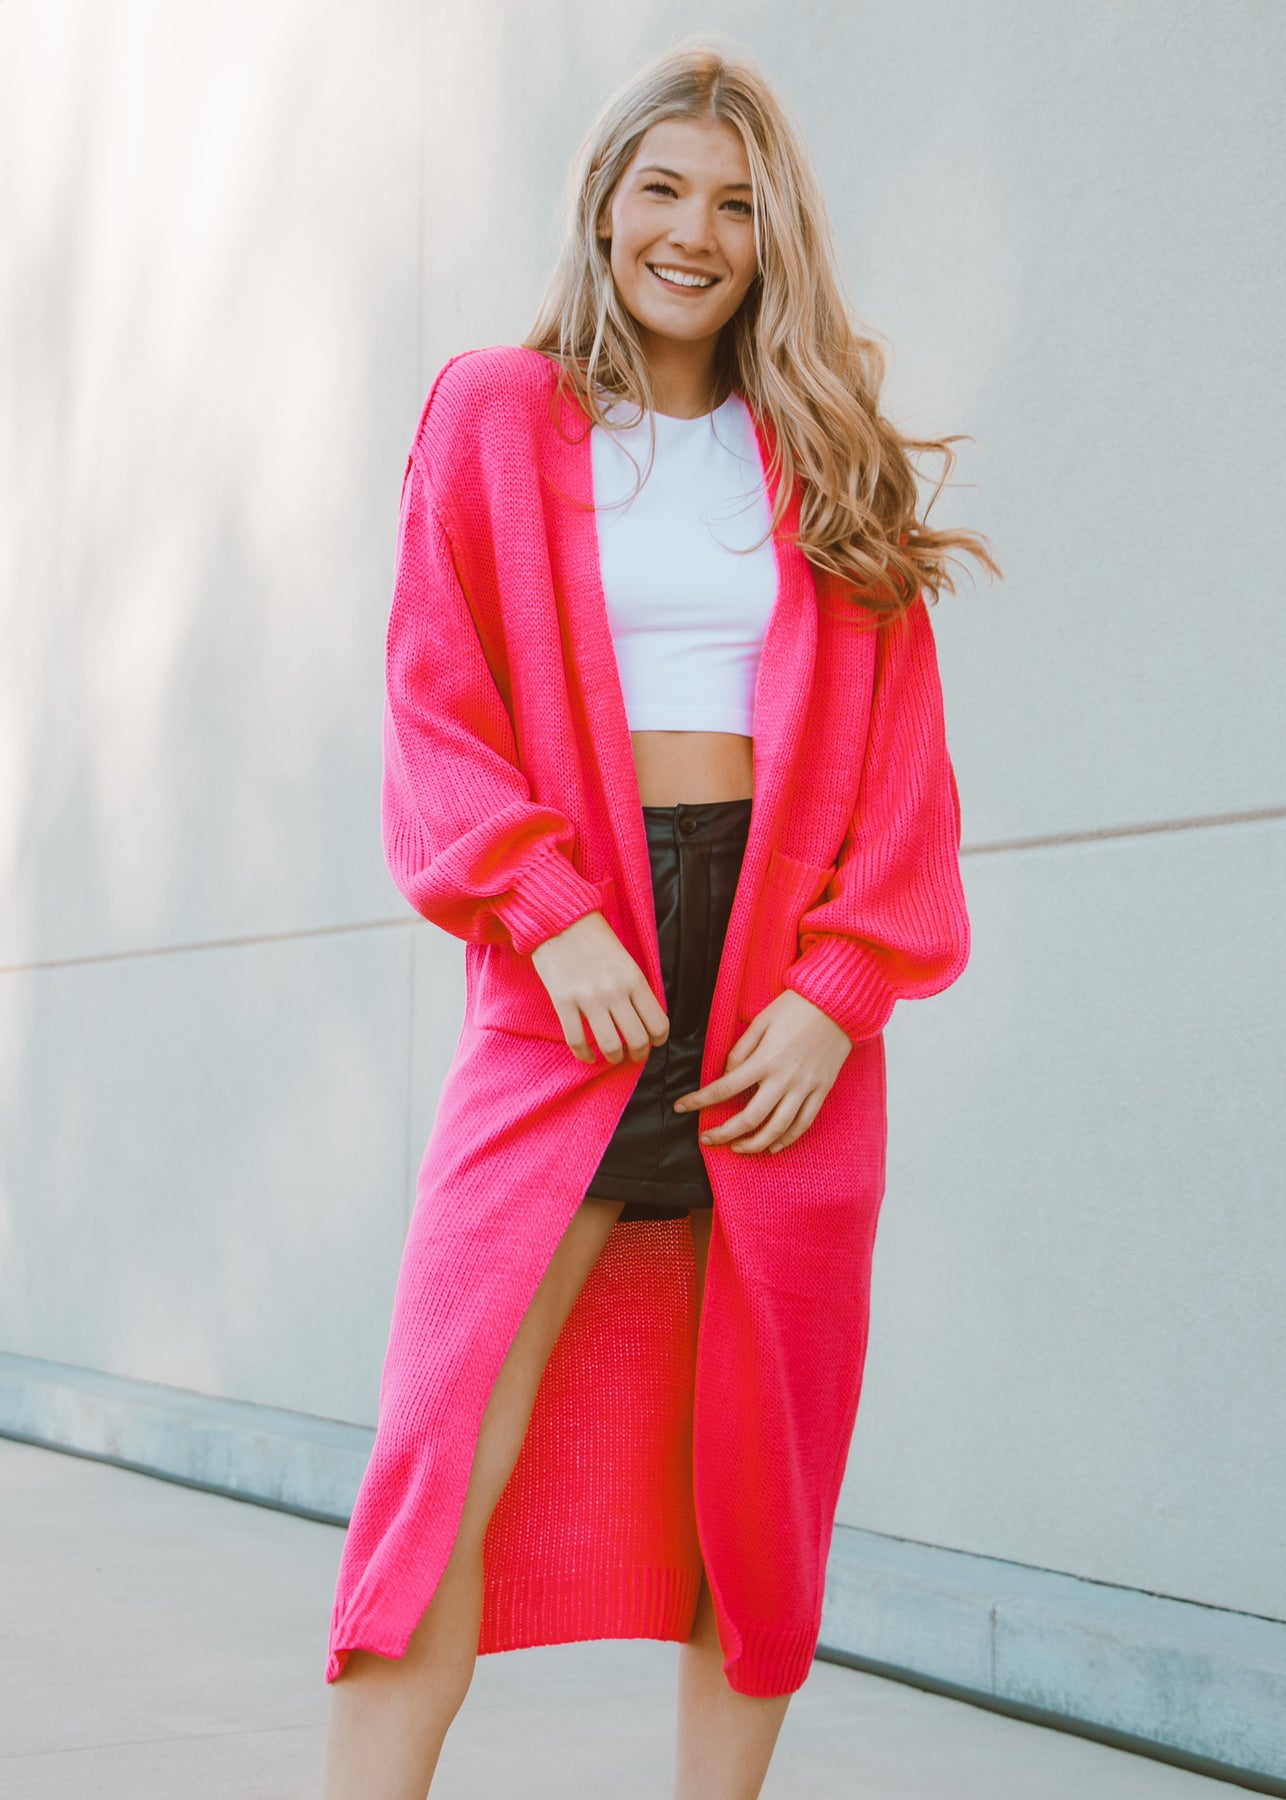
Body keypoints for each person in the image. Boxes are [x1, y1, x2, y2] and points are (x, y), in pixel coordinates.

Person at [319, 37, 1000, 1800]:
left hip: (778, 989)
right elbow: (433, 697)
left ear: (773, 238)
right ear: (603, 206)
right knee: (439, 1451)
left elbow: (903, 767)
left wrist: (839, 988)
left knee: (760, 1487)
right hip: (575, 969)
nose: (693, 233)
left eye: (735, 204)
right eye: (663, 190)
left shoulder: (820, 449)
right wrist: (545, 907)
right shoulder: (494, 411)